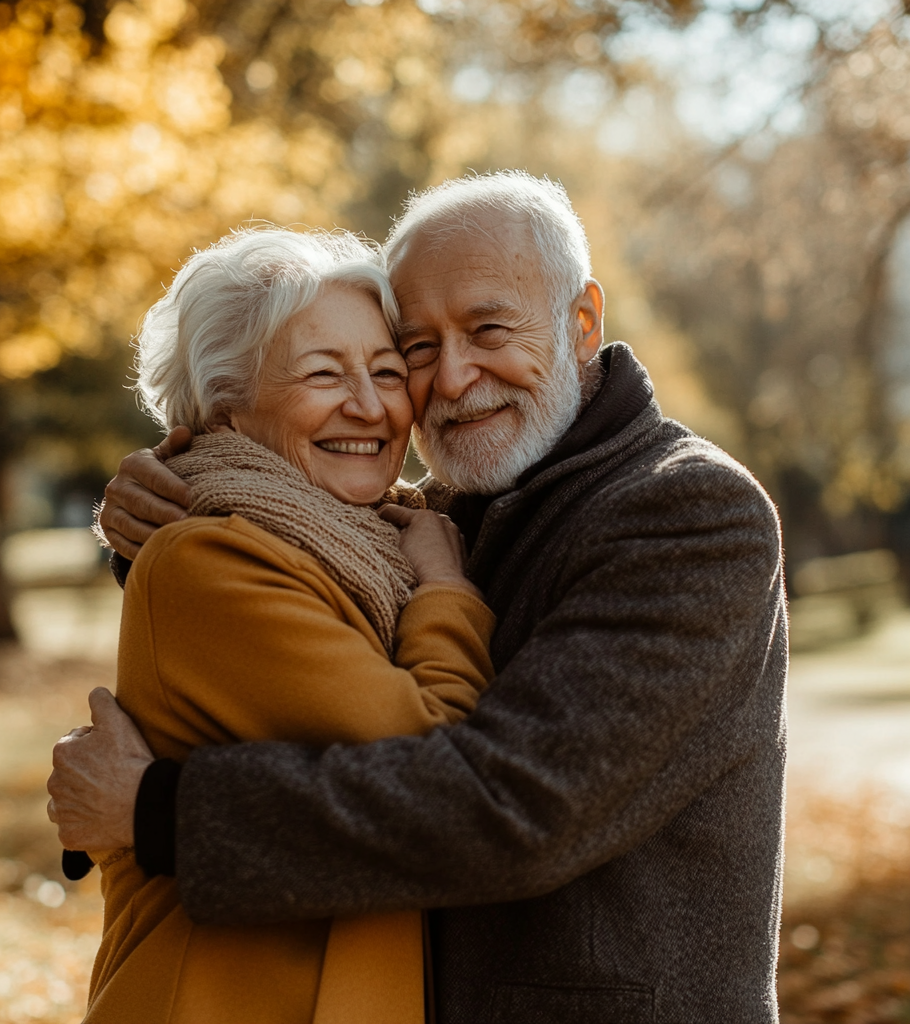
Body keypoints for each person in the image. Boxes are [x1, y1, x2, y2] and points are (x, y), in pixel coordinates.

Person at [50, 171, 788, 1024]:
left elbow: (513, 808)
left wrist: (158, 811)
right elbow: (288, 560)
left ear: (580, 322)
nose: (454, 377)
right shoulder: (447, 512)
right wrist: (181, 501)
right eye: (421, 348)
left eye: (488, 329)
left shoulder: (684, 510)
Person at [77, 227, 496, 1024]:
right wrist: (446, 589)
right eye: (322, 374)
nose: (370, 407)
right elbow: (438, 758)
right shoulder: (207, 559)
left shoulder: (380, 535)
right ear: (225, 403)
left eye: (384, 370)